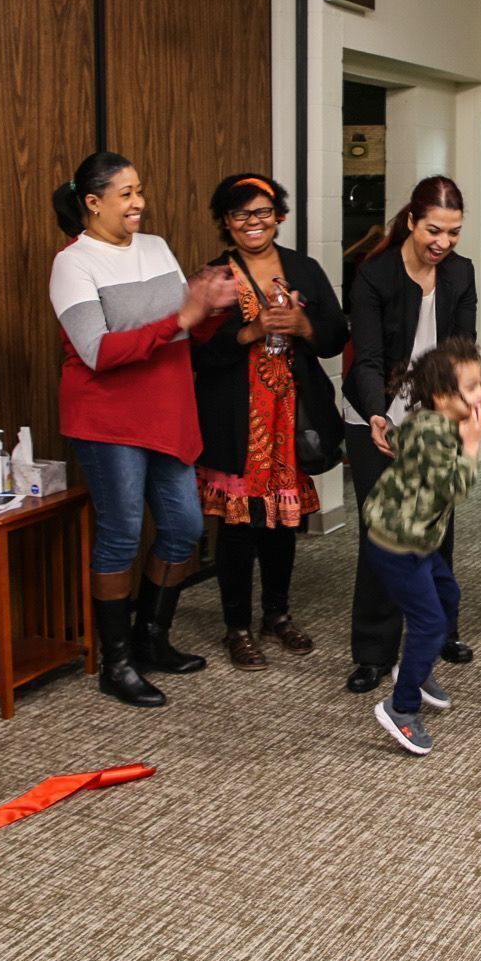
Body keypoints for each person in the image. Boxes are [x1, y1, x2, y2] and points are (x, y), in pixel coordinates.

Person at [50, 152, 237, 708]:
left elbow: (183, 335)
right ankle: (117, 662)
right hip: (109, 419)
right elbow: (98, 351)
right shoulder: (73, 263)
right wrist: (181, 317)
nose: (139, 203)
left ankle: (151, 638)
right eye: (127, 194)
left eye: (139, 191)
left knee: (182, 529)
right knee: (122, 533)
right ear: (93, 202)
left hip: (167, 411)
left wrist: (212, 309)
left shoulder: (156, 248)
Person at [191, 173, 347, 670]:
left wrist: (305, 326)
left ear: (278, 216)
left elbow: (336, 334)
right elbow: (197, 352)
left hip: (290, 415)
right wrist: (250, 331)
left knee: (283, 521)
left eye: (262, 212)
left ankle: (276, 615)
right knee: (238, 528)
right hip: (237, 416)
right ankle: (236, 626)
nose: (253, 223)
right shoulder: (214, 276)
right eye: (241, 215)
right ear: (225, 223)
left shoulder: (304, 268)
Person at [340, 176, 477, 693]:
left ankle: (439, 631)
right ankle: (374, 651)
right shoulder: (374, 274)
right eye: (434, 230)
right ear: (413, 222)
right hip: (375, 411)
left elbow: (462, 351)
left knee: (436, 526)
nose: (443, 242)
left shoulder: (460, 275)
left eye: (455, 232)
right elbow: (369, 358)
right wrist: (379, 415)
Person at [362, 338, 481, 757]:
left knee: (448, 596)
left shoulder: (426, 421)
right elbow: (455, 487)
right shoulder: (437, 433)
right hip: (399, 545)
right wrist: (471, 447)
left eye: (479, 384)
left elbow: (405, 444)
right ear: (442, 396)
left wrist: (389, 435)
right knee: (430, 623)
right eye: (470, 387)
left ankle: (414, 667)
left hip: (417, 539)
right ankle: (401, 706)